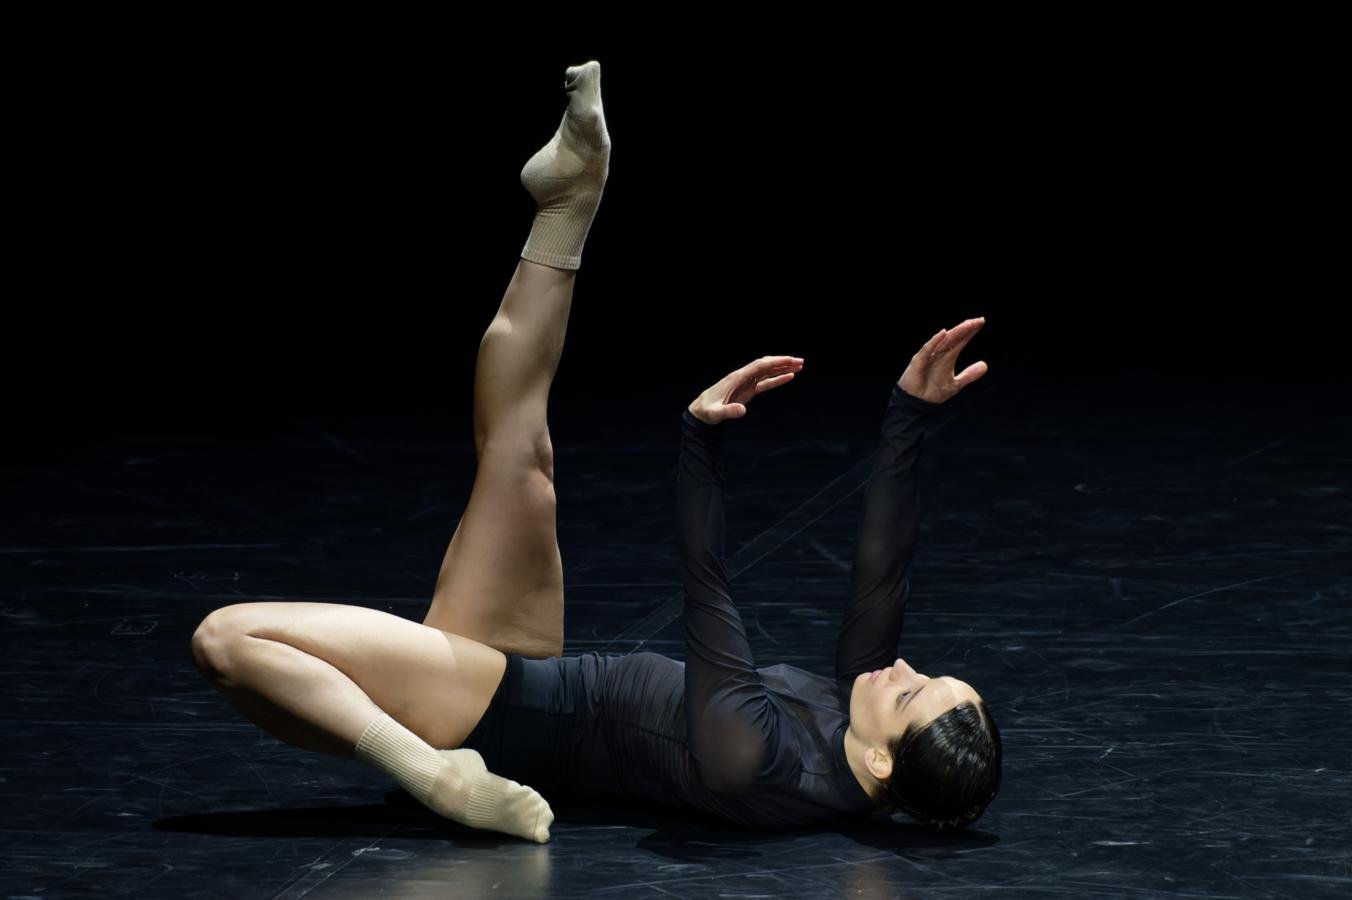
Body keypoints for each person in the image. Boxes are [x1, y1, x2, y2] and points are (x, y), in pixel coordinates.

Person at [189, 60, 1001, 844]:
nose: (904, 670)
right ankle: (570, 198)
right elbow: (881, 572)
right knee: (519, 448)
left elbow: (707, 590)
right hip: (541, 689)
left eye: (912, 694)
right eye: (928, 675)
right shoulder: (862, 729)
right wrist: (909, 416)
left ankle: (435, 775)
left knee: (229, 640)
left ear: (881, 759)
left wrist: (700, 440)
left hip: (500, 715)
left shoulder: (756, 762)